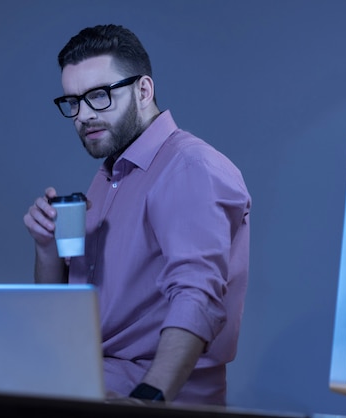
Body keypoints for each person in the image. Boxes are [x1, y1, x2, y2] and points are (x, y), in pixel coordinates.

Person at [23, 24, 251, 406]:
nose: (83, 115)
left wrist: (149, 400)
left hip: (146, 397)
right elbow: (62, 312)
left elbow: (197, 295)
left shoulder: (190, 167)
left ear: (143, 91)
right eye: (73, 102)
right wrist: (46, 248)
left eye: (98, 96)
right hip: (78, 385)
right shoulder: (110, 176)